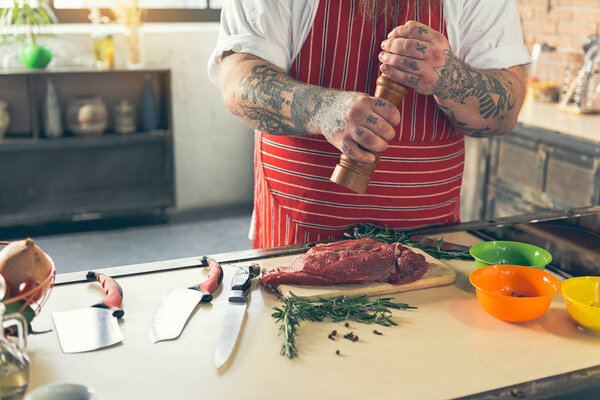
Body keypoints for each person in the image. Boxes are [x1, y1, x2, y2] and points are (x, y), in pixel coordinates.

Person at [208, 0, 530, 249]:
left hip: (429, 252)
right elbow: (238, 80)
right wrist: (322, 109)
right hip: (296, 242)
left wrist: (451, 78)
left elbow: (508, 107)